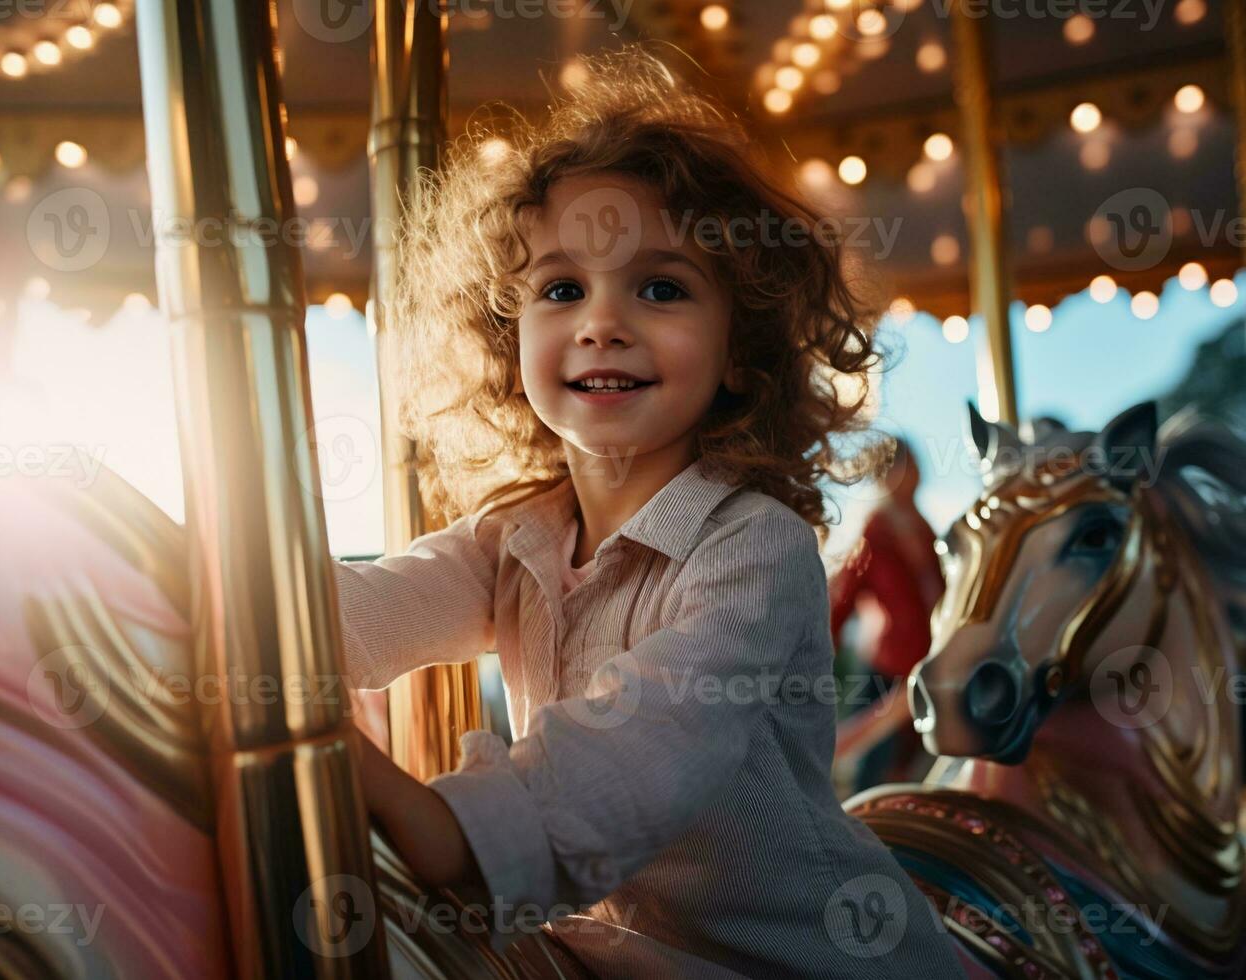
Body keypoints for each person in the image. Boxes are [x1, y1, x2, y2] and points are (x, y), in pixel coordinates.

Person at [331, 48, 960, 979]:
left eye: (660, 287)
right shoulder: (517, 539)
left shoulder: (753, 547)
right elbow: (353, 613)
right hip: (613, 953)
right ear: (511, 342)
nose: (602, 321)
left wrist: (420, 811)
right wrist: (208, 624)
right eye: (561, 289)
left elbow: (637, 753)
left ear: (741, 346)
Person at [828, 440, 945, 791]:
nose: (916, 472)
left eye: (916, 463)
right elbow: (842, 600)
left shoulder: (926, 531)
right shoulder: (873, 533)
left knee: (916, 767)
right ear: (886, 475)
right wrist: (818, 658)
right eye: (906, 465)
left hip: (929, 663)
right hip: (887, 666)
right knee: (871, 766)